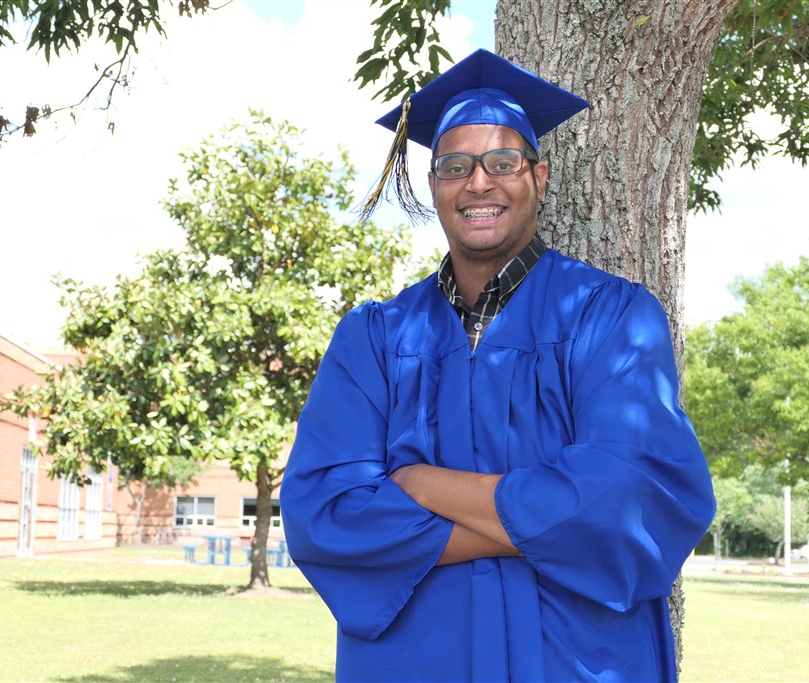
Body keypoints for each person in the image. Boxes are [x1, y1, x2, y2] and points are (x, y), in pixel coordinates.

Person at [280, 48, 715, 682]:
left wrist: (420, 484)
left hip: (577, 664)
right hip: (414, 666)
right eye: (455, 166)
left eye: (503, 162)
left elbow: (628, 497)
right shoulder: (374, 339)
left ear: (539, 177)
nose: (479, 183)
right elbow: (325, 514)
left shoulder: (610, 317)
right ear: (434, 186)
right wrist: (553, 522)